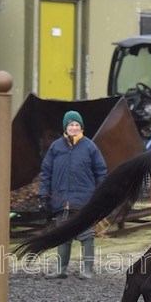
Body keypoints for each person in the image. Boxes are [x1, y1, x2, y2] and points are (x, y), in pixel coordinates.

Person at [39, 110, 107, 280]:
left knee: (86, 235)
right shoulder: (56, 147)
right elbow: (46, 172)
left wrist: (101, 195)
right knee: (62, 234)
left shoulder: (90, 146)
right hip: (61, 199)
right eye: (71, 125)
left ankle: (88, 270)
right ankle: (61, 269)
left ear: (81, 127)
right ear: (65, 127)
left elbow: (101, 172)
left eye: (77, 125)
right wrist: (44, 195)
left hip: (84, 200)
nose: (74, 127)